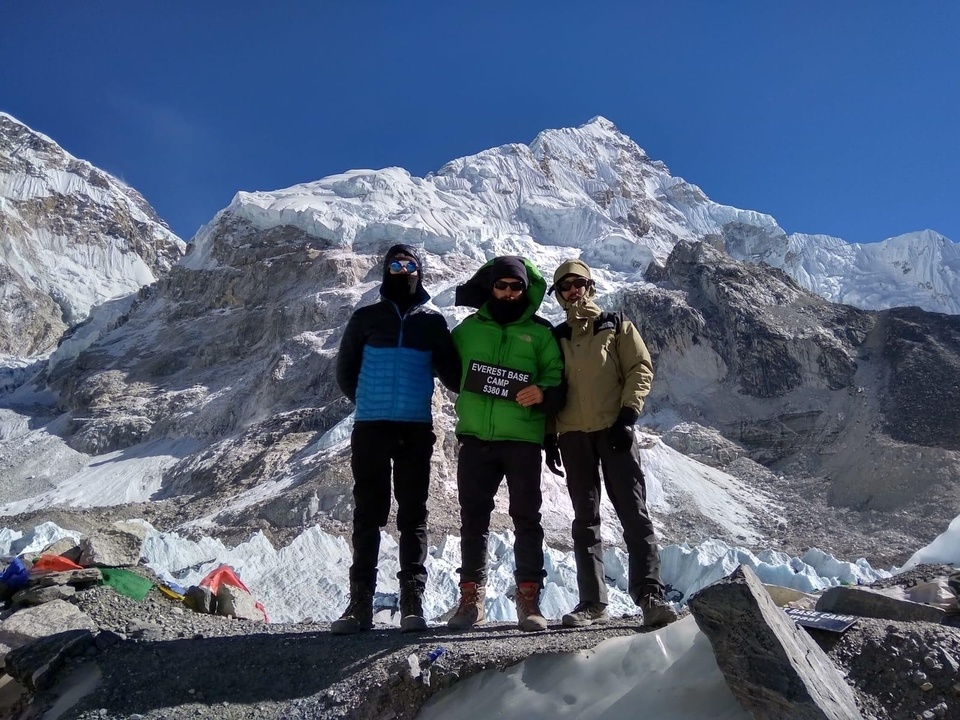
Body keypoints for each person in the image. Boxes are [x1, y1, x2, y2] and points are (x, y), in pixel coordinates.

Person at [333, 244, 461, 634]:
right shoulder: (365, 318)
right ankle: (359, 605)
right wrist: (369, 402)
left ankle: (412, 603)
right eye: (396, 265)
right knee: (367, 515)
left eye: (410, 265)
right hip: (371, 429)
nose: (403, 271)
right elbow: (345, 371)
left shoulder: (432, 323)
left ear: (420, 273)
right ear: (385, 271)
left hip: (415, 430)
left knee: (413, 516)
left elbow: (453, 375)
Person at [545, 258, 679, 628]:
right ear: (558, 295)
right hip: (573, 435)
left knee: (633, 512)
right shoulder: (557, 336)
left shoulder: (617, 325)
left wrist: (627, 416)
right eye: (565, 286)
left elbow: (640, 367)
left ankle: (650, 595)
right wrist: (550, 435)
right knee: (585, 520)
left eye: (579, 283)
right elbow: (552, 387)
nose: (573, 291)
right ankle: (592, 602)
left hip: (614, 430)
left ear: (590, 287)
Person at [447, 256, 564, 632]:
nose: (510, 293)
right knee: (472, 520)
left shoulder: (541, 333)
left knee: (527, 518)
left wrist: (541, 392)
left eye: (517, 287)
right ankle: (471, 601)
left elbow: (556, 377)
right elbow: (451, 371)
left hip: (523, 440)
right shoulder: (467, 331)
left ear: (525, 290)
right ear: (491, 287)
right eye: (503, 285)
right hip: (476, 439)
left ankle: (528, 601)